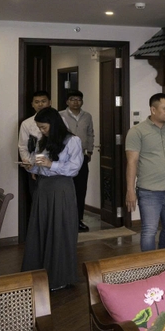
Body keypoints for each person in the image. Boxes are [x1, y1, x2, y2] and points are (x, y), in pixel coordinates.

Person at [20, 107, 83, 290]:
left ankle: (59, 277)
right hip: (43, 188)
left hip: (61, 188)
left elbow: (74, 168)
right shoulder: (43, 141)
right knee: (41, 228)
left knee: (60, 229)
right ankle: (38, 275)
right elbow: (40, 166)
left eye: (44, 127)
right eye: (39, 127)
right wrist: (31, 167)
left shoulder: (72, 140)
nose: (41, 131)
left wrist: (51, 164)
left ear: (54, 124)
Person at [125, 93, 165, 252]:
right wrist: (130, 190)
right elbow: (132, 162)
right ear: (153, 110)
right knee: (149, 230)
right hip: (149, 191)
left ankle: (163, 260)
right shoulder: (137, 131)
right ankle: (149, 264)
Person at [60, 89, 95, 232]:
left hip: (82, 157)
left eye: (78, 99)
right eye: (72, 99)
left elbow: (90, 134)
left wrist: (90, 150)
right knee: (65, 189)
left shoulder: (87, 116)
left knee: (80, 189)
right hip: (64, 158)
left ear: (82, 101)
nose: (76, 102)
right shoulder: (60, 115)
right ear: (67, 101)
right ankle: (64, 220)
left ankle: (78, 220)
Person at [19, 90, 52, 198]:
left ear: (50, 102)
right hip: (36, 167)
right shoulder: (27, 123)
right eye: (37, 102)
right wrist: (31, 167)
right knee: (37, 199)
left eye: (43, 101)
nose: (40, 104)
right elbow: (23, 146)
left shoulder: (60, 120)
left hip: (57, 169)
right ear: (32, 104)